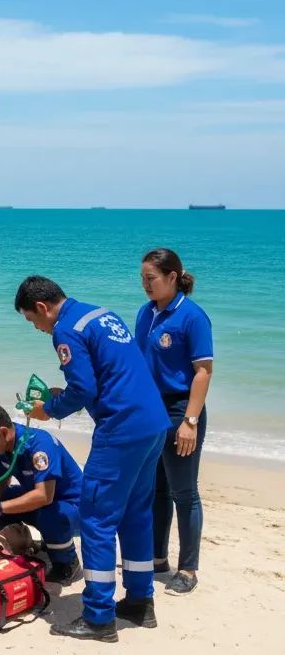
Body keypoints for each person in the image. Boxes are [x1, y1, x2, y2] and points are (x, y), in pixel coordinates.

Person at [15, 276, 170, 642]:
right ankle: (139, 601)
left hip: (121, 428)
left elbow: (85, 389)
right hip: (153, 422)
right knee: (136, 513)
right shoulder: (102, 315)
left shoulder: (65, 329)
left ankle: (99, 617)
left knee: (97, 517)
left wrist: (49, 409)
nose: (37, 328)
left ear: (42, 307)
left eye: (32, 321)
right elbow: (108, 374)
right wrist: (63, 395)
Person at [136, 248, 213, 595]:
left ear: (172, 278)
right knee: (156, 488)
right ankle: (156, 558)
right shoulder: (145, 313)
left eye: (150, 279)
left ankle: (189, 569)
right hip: (152, 411)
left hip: (182, 408)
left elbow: (203, 372)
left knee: (185, 492)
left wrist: (191, 421)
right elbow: (139, 364)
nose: (145, 285)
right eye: (142, 279)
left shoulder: (193, 317)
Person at [0, 402, 83, 583]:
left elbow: (44, 496)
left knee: (49, 515)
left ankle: (67, 563)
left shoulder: (39, 446)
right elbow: (1, 482)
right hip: (45, 502)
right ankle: (27, 545)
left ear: (3, 432)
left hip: (73, 507)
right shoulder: (3, 446)